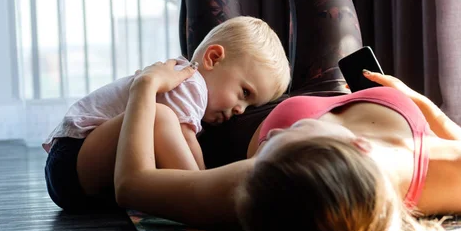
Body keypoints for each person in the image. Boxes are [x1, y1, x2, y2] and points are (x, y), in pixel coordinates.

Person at [110, 0, 461, 231]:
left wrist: (145, 86)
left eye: (272, 140)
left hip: (238, 112)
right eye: (292, 132)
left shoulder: (261, 186)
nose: (285, 126)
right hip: (338, 85)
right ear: (358, 146)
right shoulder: (457, 174)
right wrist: (421, 104)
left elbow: (132, 184)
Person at [43, 16, 290, 211]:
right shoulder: (190, 83)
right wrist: (206, 181)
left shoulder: (196, 91)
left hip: (83, 177)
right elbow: (185, 138)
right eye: (244, 93)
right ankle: (201, 200)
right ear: (213, 58)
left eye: (249, 106)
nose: (239, 110)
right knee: (162, 117)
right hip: (72, 157)